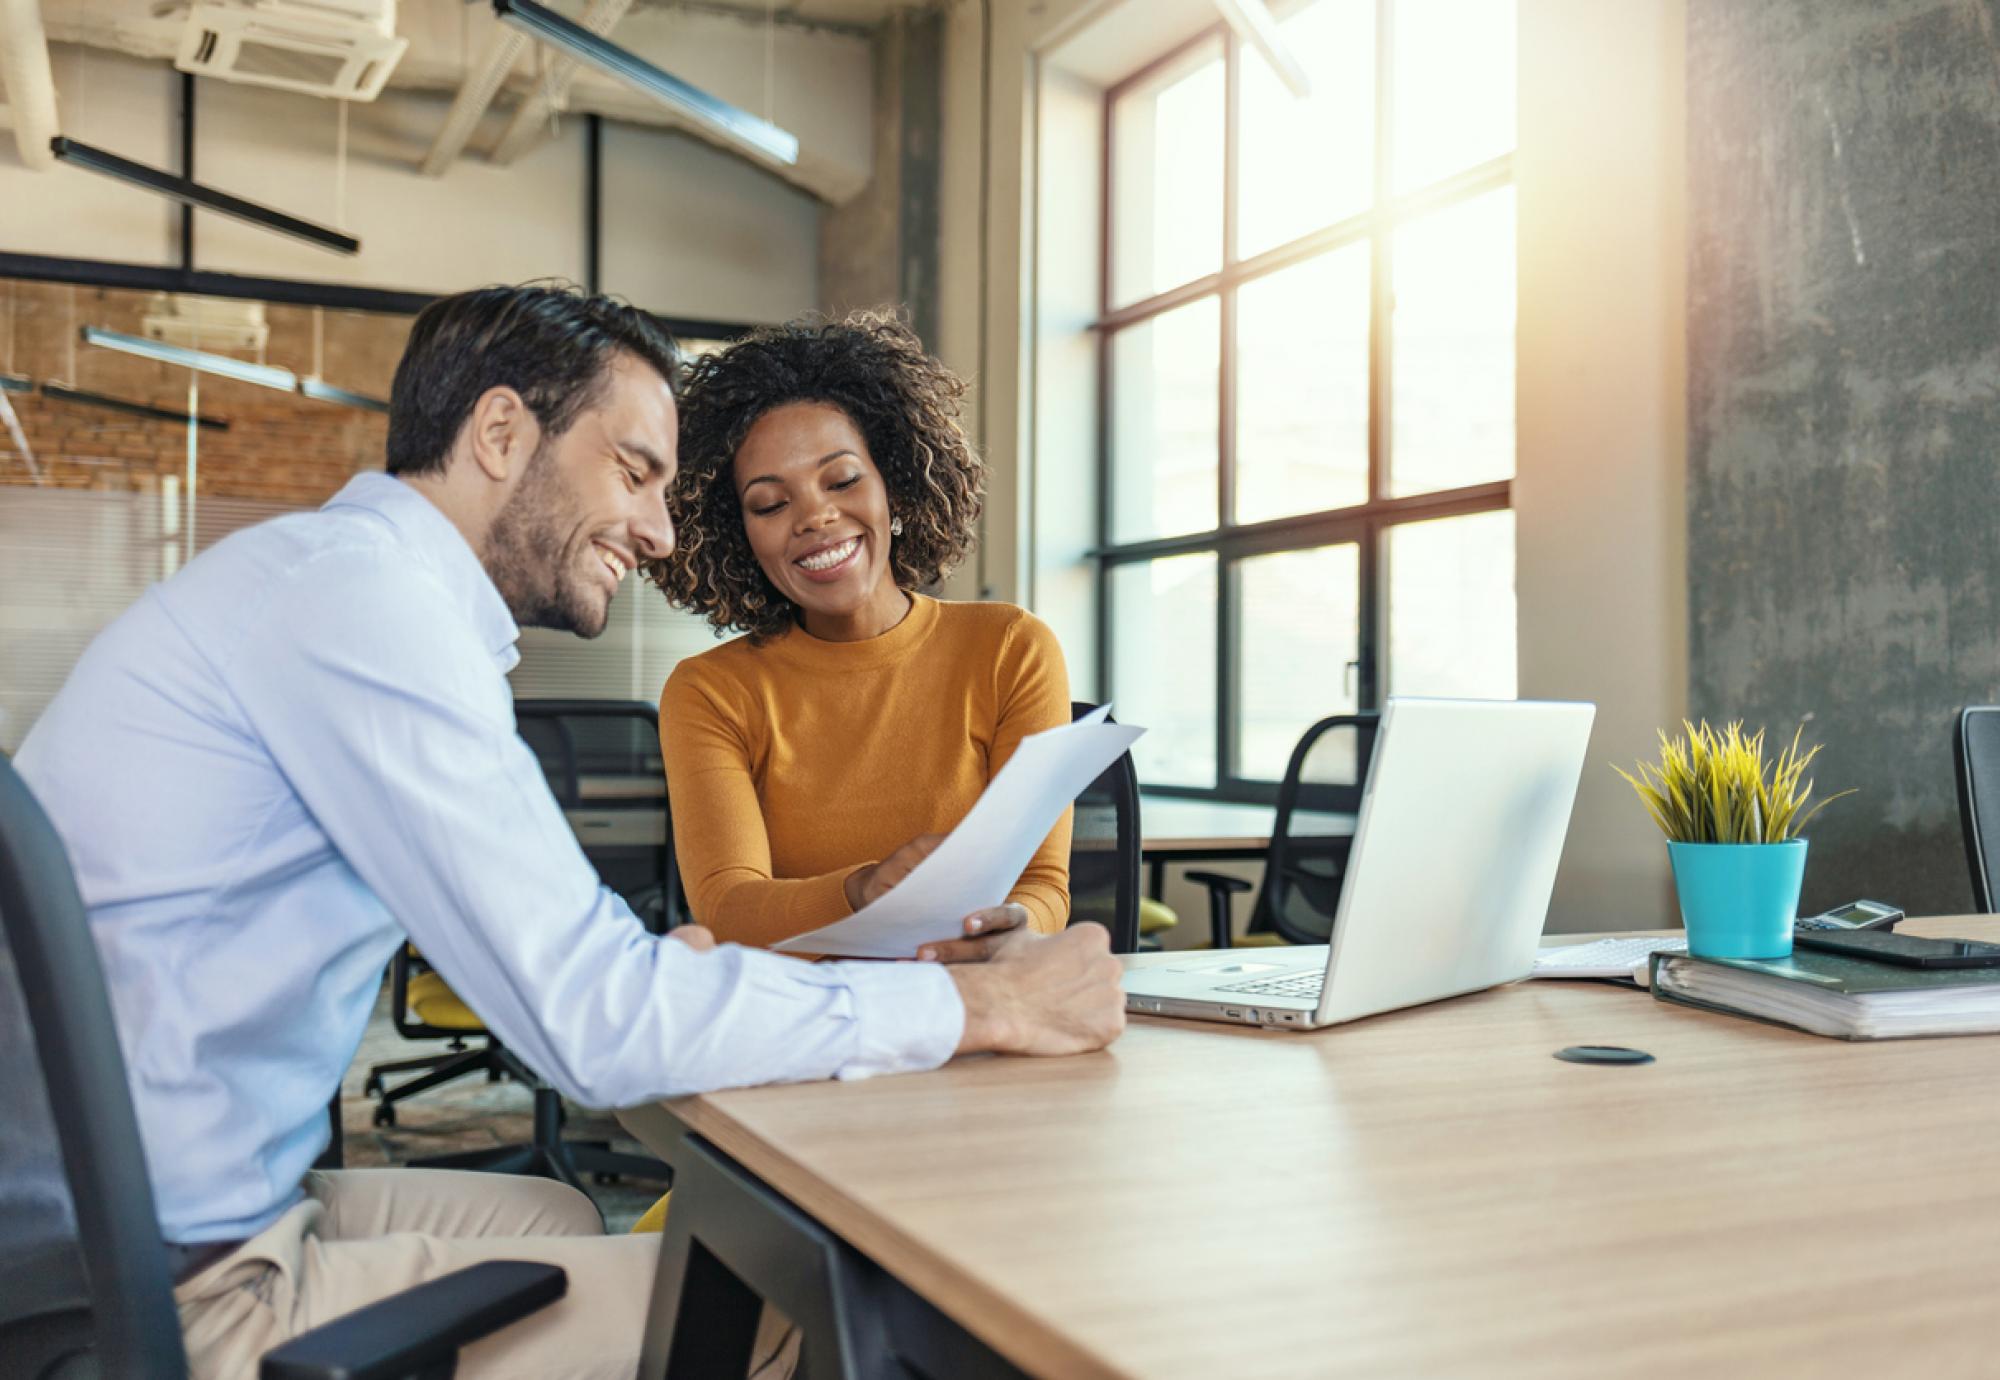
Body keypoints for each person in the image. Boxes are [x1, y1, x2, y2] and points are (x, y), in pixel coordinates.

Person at [12, 284, 1126, 1380]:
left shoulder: (329, 582)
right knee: (784, 1299)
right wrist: (978, 1003)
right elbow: (588, 1026)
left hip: (147, 1213)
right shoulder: (366, 611)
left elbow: (577, 965)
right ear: (500, 432)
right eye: (634, 471)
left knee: (558, 1211)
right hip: (157, 1286)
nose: (655, 528)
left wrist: (649, 972)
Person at [648, 311, 1071, 954]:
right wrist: (864, 890)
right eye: (770, 503)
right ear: (741, 537)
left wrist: (1013, 926)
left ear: (894, 490)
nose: (815, 516)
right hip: (801, 1016)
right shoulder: (710, 690)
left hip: (973, 999)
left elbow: (1042, 884)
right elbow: (728, 907)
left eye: (842, 480)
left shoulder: (1010, 648)